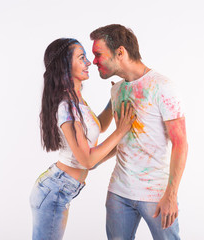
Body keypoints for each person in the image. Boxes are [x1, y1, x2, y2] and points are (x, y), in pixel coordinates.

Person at [29, 38, 135, 240]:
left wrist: (115, 97)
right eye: (82, 58)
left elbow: (99, 127)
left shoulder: (77, 100)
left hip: (60, 189)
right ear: (65, 66)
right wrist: (121, 131)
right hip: (53, 192)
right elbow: (87, 160)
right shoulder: (65, 107)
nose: (88, 62)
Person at [90, 24, 188, 239]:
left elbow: (181, 144)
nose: (94, 61)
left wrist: (171, 195)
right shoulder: (117, 90)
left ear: (120, 52)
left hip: (156, 194)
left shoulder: (162, 87)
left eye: (98, 54)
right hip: (119, 193)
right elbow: (116, 134)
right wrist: (91, 161)